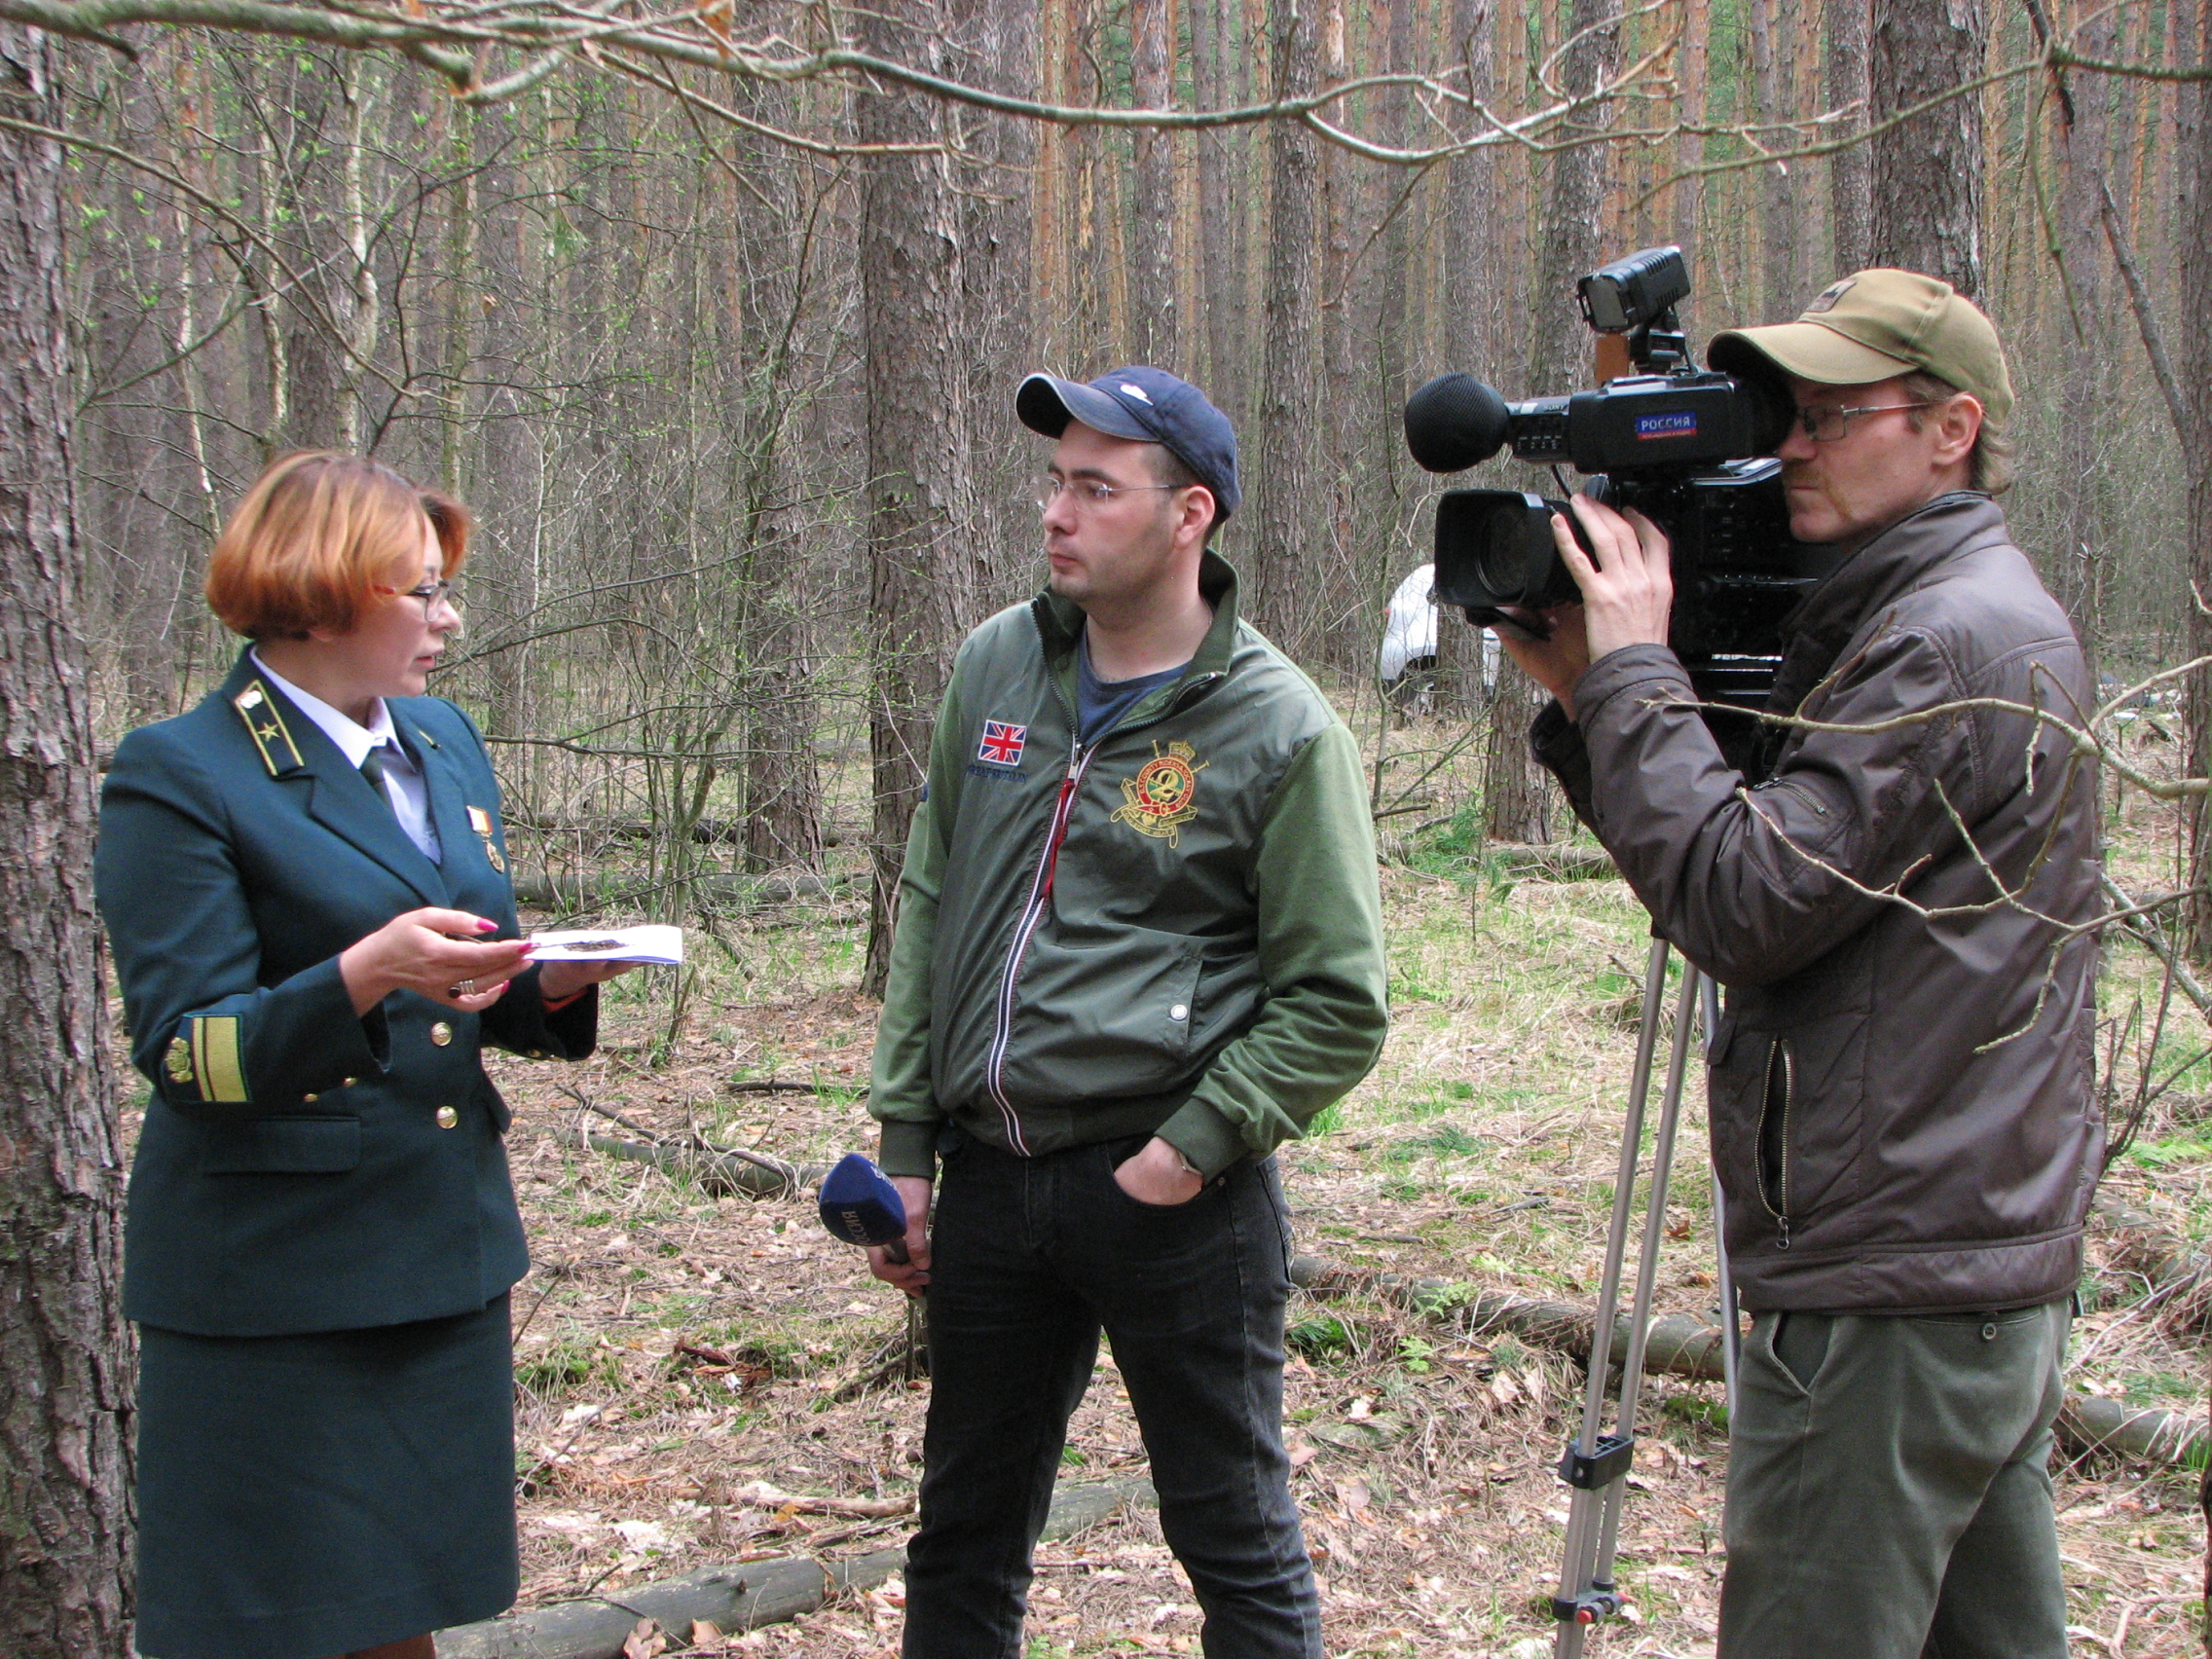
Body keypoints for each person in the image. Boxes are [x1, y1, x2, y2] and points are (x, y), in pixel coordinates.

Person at [1497, 270, 2102, 1658]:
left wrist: (1634, 675)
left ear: (1951, 429)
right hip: (1959, 1259)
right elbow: (1747, 860)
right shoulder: (1945, 614)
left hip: (1893, 1277)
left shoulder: (1947, 640)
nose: (1794, 448)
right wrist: (1599, 703)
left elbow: (1746, 905)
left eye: (1833, 415)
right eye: (1787, 416)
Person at [865, 366, 1389, 1658]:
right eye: (1056, 481)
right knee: (964, 1535)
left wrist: (1178, 1158)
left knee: (1232, 1537)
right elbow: (933, 893)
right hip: (989, 1180)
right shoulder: (1000, 663)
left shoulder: (1279, 729)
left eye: (1097, 487)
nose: (1058, 513)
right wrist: (905, 1146)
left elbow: (1337, 999)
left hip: (1174, 1201)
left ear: (1190, 514)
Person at [96, 452, 632, 1659]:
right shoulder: (181, 772)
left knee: (403, 1617)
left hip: (434, 1256)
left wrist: (547, 984)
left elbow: (464, 988)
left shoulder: (441, 741)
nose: (447, 620)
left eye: (446, 590)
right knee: (277, 1623)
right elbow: (190, 1056)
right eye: (421, 592)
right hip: (274, 1284)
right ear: (325, 596)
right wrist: (364, 971)